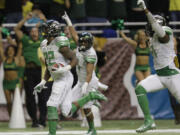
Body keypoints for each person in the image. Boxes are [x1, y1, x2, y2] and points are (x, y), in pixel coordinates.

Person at [33, 20, 107, 135]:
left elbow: (74, 59)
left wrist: (66, 68)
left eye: (46, 28)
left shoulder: (60, 43)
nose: (44, 30)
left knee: (51, 103)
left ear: (52, 30)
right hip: (58, 77)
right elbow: (49, 65)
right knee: (66, 112)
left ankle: (51, 133)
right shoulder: (44, 44)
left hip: (64, 77)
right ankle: (90, 96)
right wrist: (43, 81)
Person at [134, 0, 180, 133]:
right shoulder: (153, 38)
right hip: (160, 76)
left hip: (173, 76)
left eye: (151, 25)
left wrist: (146, 10)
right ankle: (149, 121)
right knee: (140, 88)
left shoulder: (165, 32)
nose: (148, 27)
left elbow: (157, 28)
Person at [62, 12, 105, 135]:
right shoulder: (80, 46)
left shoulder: (91, 54)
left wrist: (86, 84)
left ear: (90, 43)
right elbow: (75, 34)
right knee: (70, 110)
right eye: (82, 42)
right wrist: (69, 21)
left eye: (86, 42)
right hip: (81, 82)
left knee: (84, 108)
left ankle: (92, 129)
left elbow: (90, 73)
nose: (83, 44)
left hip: (89, 81)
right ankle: (92, 128)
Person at [14, 12, 46, 127]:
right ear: (30, 33)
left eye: (35, 31)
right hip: (29, 71)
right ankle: (34, 121)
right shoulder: (26, 40)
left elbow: (51, 31)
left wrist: (44, 20)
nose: (34, 33)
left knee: (43, 96)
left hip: (40, 71)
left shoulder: (42, 41)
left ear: (38, 33)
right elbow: (16, 29)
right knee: (30, 97)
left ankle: (43, 120)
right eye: (32, 32)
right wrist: (25, 19)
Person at [0, 28, 24, 117]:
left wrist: (18, 35)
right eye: (9, 50)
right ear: (7, 51)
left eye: (12, 50)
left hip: (15, 83)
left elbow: (20, 47)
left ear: (14, 51)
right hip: (6, 83)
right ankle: (11, 118)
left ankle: (17, 117)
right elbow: (0, 46)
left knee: (16, 102)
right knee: (9, 102)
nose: (10, 51)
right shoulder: (4, 59)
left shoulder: (17, 59)